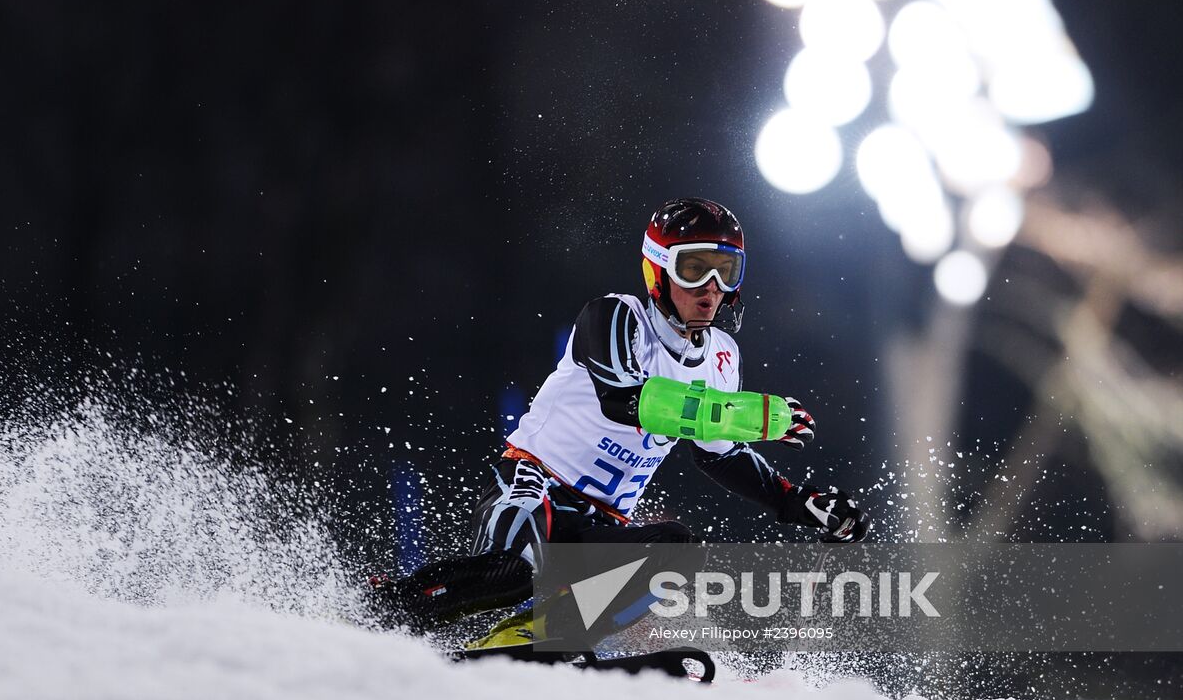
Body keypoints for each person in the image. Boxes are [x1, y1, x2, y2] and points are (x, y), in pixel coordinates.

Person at [370, 197, 870, 648]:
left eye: (725, 270)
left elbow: (718, 450)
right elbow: (628, 401)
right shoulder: (614, 317)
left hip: (602, 523)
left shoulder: (722, 357)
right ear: (658, 271)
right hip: (536, 488)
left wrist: (794, 501)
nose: (711, 289)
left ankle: (531, 642)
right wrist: (751, 415)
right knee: (513, 575)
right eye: (694, 269)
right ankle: (383, 612)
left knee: (677, 554)